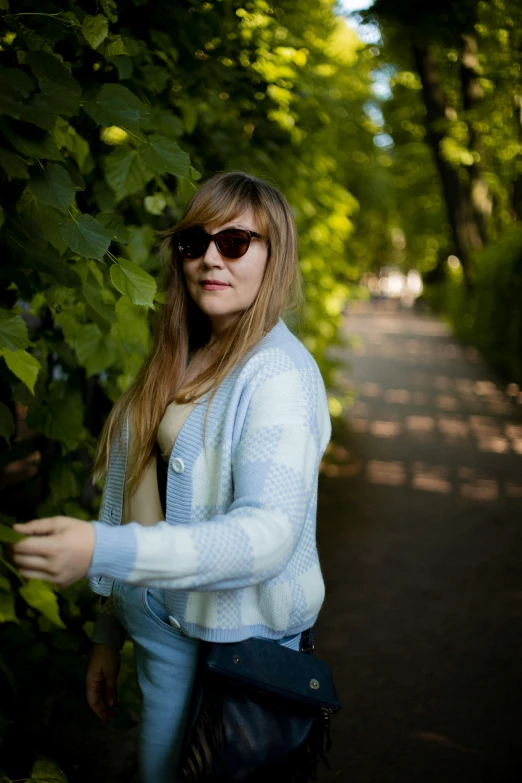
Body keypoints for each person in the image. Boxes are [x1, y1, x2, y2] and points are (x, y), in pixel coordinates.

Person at [10, 171, 332, 783]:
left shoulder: (280, 377)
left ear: (275, 255)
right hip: (159, 632)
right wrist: (108, 630)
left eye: (235, 242)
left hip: (241, 653)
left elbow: (267, 536)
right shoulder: (179, 351)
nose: (210, 257)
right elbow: (125, 493)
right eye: (194, 243)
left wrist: (103, 551)